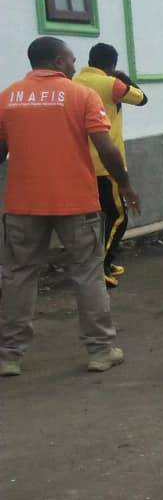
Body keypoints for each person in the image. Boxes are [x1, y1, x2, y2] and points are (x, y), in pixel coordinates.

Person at [0, 37, 139, 377]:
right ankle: (101, 350)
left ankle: (8, 355)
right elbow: (106, 149)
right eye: (72, 59)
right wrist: (124, 183)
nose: (75, 66)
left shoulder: (8, 97)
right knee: (88, 273)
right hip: (76, 201)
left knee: (18, 276)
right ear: (59, 61)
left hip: (23, 202)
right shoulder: (81, 95)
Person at [73, 42, 147, 288]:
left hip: (80, 164)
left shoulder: (72, 82)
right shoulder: (113, 85)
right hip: (107, 164)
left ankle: (105, 262)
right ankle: (101, 267)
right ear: (112, 64)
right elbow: (142, 98)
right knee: (118, 217)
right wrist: (121, 77)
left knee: (96, 217)